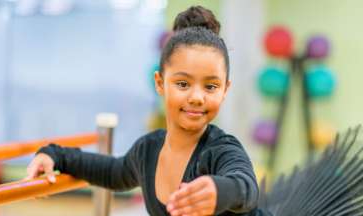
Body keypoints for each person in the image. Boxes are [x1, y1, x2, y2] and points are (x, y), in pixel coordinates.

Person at [26, 6, 261, 216]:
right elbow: (112, 171)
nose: (197, 98)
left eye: (211, 86)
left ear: (225, 89)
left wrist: (220, 190)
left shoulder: (221, 150)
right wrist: (53, 154)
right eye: (183, 84)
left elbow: (246, 187)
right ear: (160, 83)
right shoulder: (148, 150)